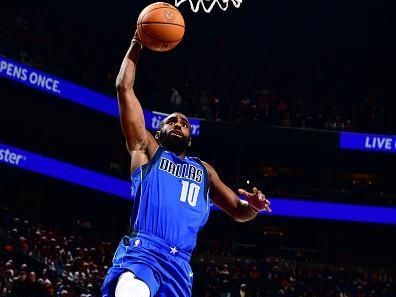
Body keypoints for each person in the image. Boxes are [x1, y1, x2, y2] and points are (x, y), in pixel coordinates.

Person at [102, 30, 272, 297]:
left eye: (184, 123)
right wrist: (137, 42)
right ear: (159, 132)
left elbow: (239, 211)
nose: (179, 124)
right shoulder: (146, 150)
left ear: (190, 139)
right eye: (172, 121)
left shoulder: (204, 170)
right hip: (144, 251)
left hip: (180, 266)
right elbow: (124, 87)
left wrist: (253, 207)